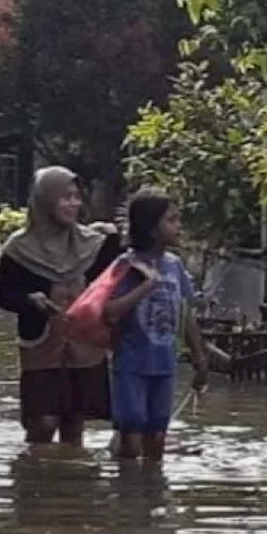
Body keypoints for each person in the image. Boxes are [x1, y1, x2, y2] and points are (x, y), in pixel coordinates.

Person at [0, 167, 121, 446]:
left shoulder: (94, 245)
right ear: (45, 200)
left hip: (84, 345)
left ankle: (69, 483)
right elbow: (4, 295)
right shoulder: (19, 249)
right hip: (41, 344)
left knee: (75, 420)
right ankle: (33, 476)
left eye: (77, 197)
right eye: (65, 197)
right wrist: (31, 300)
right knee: (43, 421)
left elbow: (111, 285)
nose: (73, 204)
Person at [104, 189, 209, 462]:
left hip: (165, 365)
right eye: (171, 220)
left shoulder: (174, 266)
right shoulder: (126, 266)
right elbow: (111, 312)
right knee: (131, 432)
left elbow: (185, 314)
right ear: (151, 228)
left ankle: (151, 495)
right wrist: (147, 285)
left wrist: (200, 356)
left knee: (158, 436)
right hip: (131, 364)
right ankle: (125, 492)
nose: (178, 226)